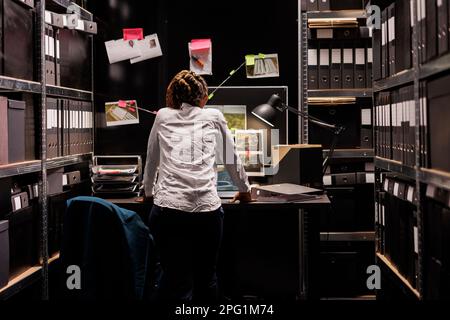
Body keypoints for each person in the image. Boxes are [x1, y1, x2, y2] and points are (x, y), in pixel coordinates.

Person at [144, 70, 252, 301]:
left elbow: (151, 160)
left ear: (173, 94)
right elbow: (231, 159)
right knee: (207, 278)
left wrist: (148, 192)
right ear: (202, 96)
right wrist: (244, 190)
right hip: (206, 212)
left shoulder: (162, 116)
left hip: (168, 211)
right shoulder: (213, 115)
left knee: (175, 279)